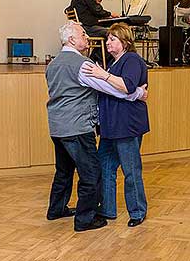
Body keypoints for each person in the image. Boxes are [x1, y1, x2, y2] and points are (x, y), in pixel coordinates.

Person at [45, 21, 146, 232]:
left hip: (59, 126)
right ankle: (85, 219)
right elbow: (115, 90)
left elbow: (119, 86)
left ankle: (58, 209)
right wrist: (138, 93)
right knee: (92, 173)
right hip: (78, 126)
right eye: (83, 34)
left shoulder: (53, 63)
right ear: (72, 39)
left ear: (125, 42)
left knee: (65, 171)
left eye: (112, 38)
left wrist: (119, 83)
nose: (88, 37)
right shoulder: (83, 64)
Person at [81, 23, 149, 228]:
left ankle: (137, 211)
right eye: (108, 39)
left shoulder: (132, 60)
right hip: (111, 127)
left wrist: (103, 75)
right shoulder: (112, 61)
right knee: (105, 167)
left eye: (112, 39)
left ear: (125, 41)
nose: (108, 42)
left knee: (130, 170)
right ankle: (107, 209)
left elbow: (128, 86)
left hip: (126, 125)